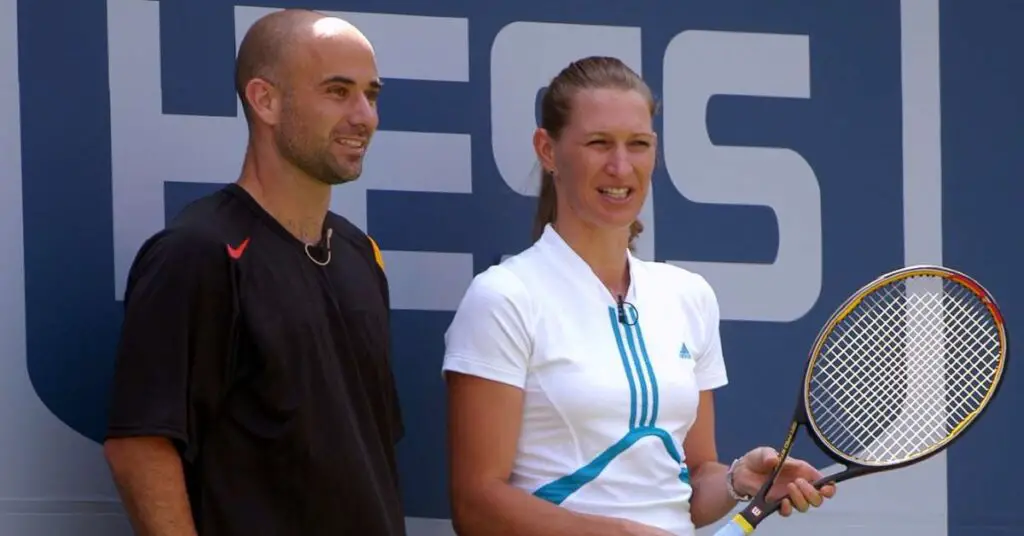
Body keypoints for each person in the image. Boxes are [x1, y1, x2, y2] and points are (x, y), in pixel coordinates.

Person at [441, 56, 836, 536]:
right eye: (598, 143)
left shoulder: (688, 296)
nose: (620, 166)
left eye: (639, 145)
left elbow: (690, 484)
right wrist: (623, 534)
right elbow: (477, 505)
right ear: (548, 150)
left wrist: (738, 481)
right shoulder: (503, 298)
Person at [102, 9, 405, 536]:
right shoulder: (198, 252)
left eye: (371, 94)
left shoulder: (362, 256)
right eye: (337, 91)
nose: (364, 116)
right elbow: (140, 448)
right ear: (264, 100)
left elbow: (368, 454)